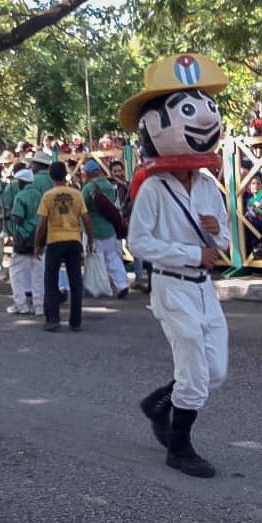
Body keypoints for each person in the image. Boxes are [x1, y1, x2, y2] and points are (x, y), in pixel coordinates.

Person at [122, 53, 231, 479]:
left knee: (215, 372)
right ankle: (179, 447)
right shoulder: (153, 188)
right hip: (172, 287)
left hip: (205, 288)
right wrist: (190, 253)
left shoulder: (209, 186)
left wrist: (213, 234)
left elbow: (222, 239)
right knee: (193, 372)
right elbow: (138, 242)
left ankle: (159, 404)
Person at [34, 161, 95, 331]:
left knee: (51, 280)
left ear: (50, 176)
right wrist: (90, 239)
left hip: (54, 240)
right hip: (74, 240)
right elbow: (86, 220)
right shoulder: (76, 194)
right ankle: (75, 321)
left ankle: (53, 319)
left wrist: (37, 244)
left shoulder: (48, 196)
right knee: (75, 281)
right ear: (66, 175)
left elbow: (42, 224)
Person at [81, 160, 130, 298]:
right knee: (112, 257)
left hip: (92, 229)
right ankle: (122, 284)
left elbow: (82, 207)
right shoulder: (108, 185)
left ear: (87, 173)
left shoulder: (87, 188)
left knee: (93, 259)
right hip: (109, 228)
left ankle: (96, 287)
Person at [6, 169, 44, 315]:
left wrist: (10, 214)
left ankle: (21, 304)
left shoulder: (20, 196)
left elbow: (19, 218)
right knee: (38, 272)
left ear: (21, 182)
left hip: (23, 238)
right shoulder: (40, 195)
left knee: (15, 271)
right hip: (39, 238)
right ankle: (39, 306)